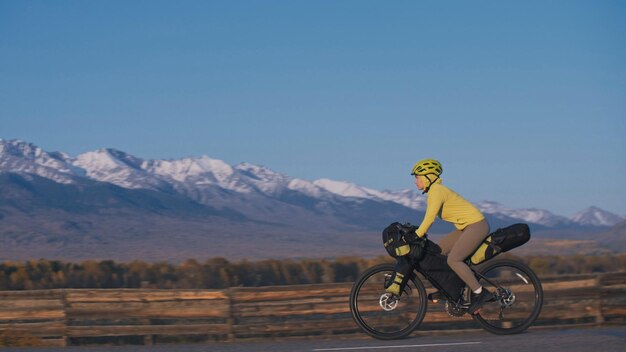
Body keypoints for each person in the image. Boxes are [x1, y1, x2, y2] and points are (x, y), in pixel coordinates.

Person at [386, 158, 493, 315]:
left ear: (428, 177)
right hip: (465, 228)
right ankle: (450, 289)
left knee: (454, 260)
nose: (415, 181)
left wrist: (415, 235)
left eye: (417, 177)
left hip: (477, 226)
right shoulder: (434, 192)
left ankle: (480, 293)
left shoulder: (437, 191)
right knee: (437, 252)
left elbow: (430, 218)